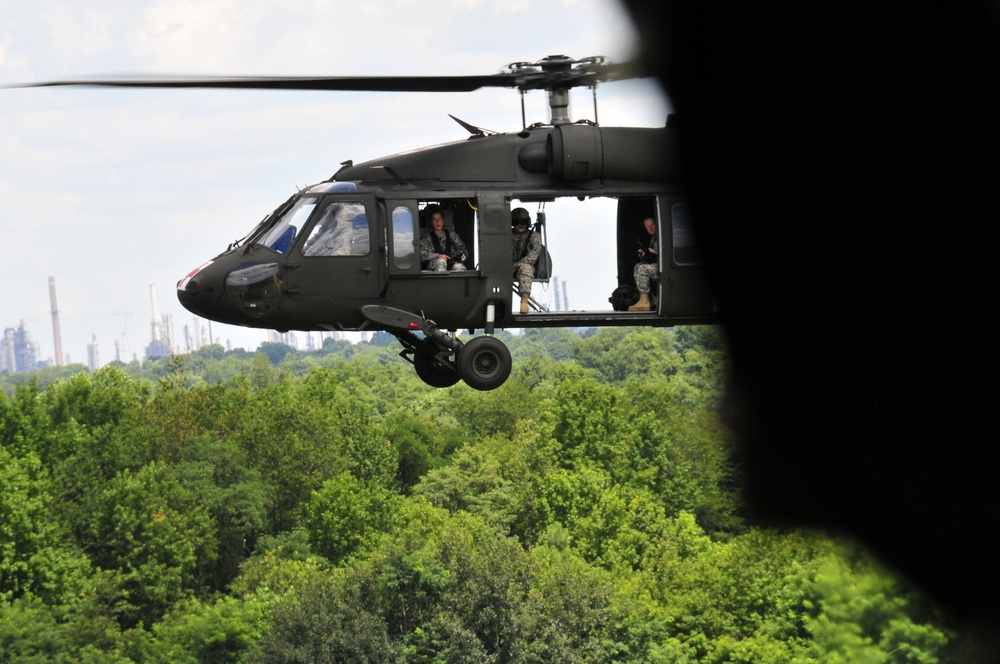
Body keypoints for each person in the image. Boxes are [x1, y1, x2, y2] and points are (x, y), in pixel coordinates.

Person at [511, 207, 541, 313]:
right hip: (505, 267)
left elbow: (532, 258)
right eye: (518, 222)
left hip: (521, 268)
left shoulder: (534, 236)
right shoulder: (505, 236)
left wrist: (515, 265)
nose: (521, 225)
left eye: (524, 222)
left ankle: (524, 301)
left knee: (526, 268)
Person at [628, 216, 658, 311]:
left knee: (642, 269)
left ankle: (645, 301)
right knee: (638, 266)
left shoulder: (663, 236)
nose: (650, 228)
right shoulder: (654, 238)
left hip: (666, 267)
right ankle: (644, 299)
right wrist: (645, 254)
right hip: (658, 265)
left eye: (652, 225)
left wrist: (655, 252)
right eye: (647, 226)